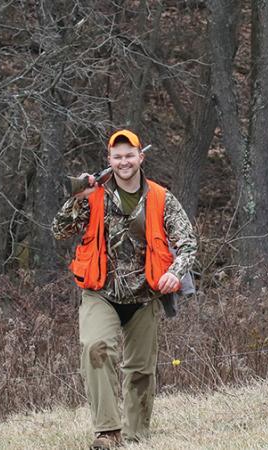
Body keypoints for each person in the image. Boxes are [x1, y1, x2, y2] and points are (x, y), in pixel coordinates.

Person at [52, 129, 197, 449]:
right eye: (117, 157)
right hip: (100, 293)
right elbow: (59, 231)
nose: (124, 161)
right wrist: (77, 199)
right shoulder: (94, 195)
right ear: (109, 161)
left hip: (145, 296)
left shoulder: (161, 197)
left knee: (141, 370)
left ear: (140, 158)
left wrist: (175, 273)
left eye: (129, 155)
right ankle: (107, 432)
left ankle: (136, 437)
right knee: (95, 347)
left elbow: (188, 243)